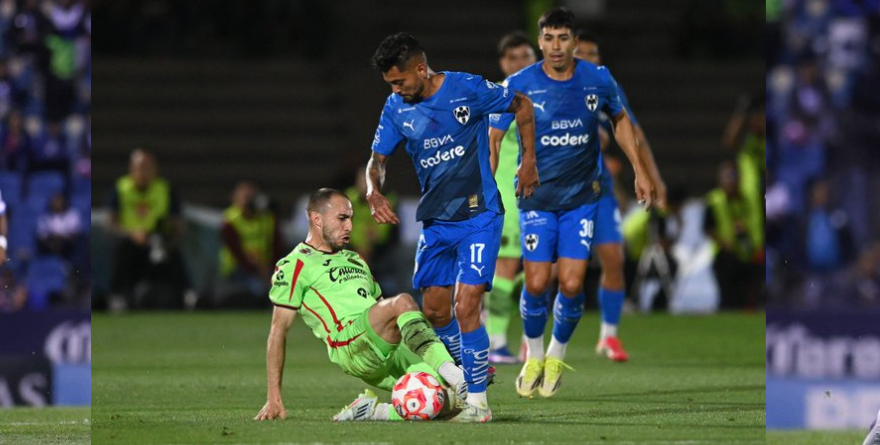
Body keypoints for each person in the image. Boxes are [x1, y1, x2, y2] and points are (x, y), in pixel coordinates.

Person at [365, 32, 539, 422]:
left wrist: (528, 162)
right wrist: (372, 190)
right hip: (436, 223)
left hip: (480, 215)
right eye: (390, 84)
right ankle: (467, 375)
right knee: (436, 311)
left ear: (421, 69)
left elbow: (522, 104)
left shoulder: (468, 88)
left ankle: (477, 403)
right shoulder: (396, 108)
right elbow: (376, 161)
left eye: (400, 81)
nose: (396, 90)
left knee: (466, 305)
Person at [489, 7, 657, 398]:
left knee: (571, 282)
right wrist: (488, 182)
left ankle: (555, 355)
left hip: (581, 197)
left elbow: (620, 119)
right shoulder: (521, 83)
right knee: (536, 282)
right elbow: (495, 135)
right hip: (536, 199)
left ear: (575, 42)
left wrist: (640, 170)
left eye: (563, 38)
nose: (556, 46)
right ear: (540, 40)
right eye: (548, 38)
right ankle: (531, 354)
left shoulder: (597, 79)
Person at [254, 189, 467, 422]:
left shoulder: (354, 259)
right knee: (403, 301)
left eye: (351, 219)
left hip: (386, 343)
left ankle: (374, 412)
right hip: (351, 343)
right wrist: (274, 397)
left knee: (449, 401)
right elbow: (278, 330)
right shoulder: (294, 264)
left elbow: (381, 307)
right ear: (317, 219)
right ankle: (454, 372)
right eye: (342, 218)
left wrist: (418, 342)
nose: (350, 227)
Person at [573, 31, 667, 361]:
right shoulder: (551, 86)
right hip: (560, 192)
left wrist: (650, 175)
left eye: (594, 53)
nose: (589, 58)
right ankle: (535, 339)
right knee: (553, 273)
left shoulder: (605, 85)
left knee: (614, 257)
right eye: (581, 52)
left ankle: (609, 336)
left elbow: (633, 131)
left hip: (599, 190)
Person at [485, 31, 537, 365]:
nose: (520, 63)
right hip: (508, 191)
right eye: (513, 58)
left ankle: (524, 339)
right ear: (504, 63)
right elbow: (492, 142)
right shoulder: (505, 95)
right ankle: (496, 340)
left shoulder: (544, 91)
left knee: (540, 264)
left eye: (525, 57)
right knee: (506, 264)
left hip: (538, 192)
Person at [106, 149, 195, 311]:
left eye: (148, 167)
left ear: (155, 169)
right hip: (131, 241)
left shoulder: (164, 188)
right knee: (122, 251)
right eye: (140, 167)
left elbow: (177, 223)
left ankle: (188, 294)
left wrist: (168, 243)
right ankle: (117, 296)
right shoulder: (121, 188)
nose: (143, 172)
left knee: (172, 254)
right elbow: (111, 223)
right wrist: (131, 234)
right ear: (131, 169)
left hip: (158, 239)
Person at [704, 161, 763, 309]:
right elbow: (707, 227)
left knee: (747, 296)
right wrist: (723, 242)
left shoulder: (747, 200)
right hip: (725, 255)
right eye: (726, 177)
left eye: (733, 176)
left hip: (747, 254)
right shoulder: (714, 200)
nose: (730, 181)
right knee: (728, 296)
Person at [218, 181, 283, 302]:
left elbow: (277, 247)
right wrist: (258, 270)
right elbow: (237, 253)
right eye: (245, 197)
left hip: (266, 267)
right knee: (257, 288)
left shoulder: (268, 218)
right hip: (238, 269)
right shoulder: (230, 220)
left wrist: (271, 267)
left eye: (252, 197)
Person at [37, 192, 82, 260]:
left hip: (68, 245)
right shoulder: (45, 216)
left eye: (58, 201)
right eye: (54, 201)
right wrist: (51, 240)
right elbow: (42, 234)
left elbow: (74, 233)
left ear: (64, 201)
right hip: (49, 244)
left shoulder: (72, 214)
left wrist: (61, 237)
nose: (56, 203)